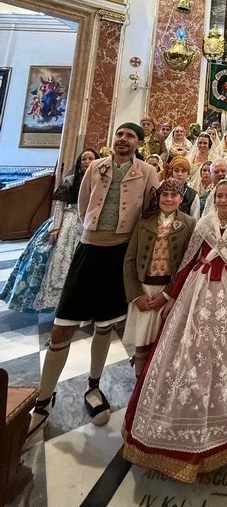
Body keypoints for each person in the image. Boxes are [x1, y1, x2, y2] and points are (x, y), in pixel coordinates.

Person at [27, 123, 159, 439]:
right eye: (119, 134)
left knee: (105, 325)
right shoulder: (96, 167)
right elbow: (84, 204)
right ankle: (42, 402)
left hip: (119, 253)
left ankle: (94, 386)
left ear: (139, 143)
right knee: (63, 326)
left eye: (130, 136)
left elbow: (149, 211)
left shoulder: (146, 172)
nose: (123, 139)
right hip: (89, 249)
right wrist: (93, 231)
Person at [122, 179, 227, 480]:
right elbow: (187, 262)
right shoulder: (203, 225)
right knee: (189, 351)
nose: (223, 200)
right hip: (198, 290)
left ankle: (224, 429)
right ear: (214, 198)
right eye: (220, 195)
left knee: (225, 354)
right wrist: (173, 297)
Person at [1, 148, 99, 313]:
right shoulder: (71, 180)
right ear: (79, 162)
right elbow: (60, 204)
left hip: (91, 221)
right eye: (84, 159)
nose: (87, 162)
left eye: (91, 158)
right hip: (71, 219)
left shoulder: (101, 181)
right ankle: (55, 301)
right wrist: (56, 227)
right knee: (59, 258)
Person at [122, 178, 195, 376]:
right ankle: (139, 382)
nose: (168, 199)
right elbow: (130, 259)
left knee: (162, 342)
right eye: (165, 195)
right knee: (141, 343)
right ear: (158, 196)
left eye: (174, 195)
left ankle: (154, 383)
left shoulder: (188, 223)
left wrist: (168, 294)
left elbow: (187, 263)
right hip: (144, 290)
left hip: (167, 291)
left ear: (181, 199)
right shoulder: (144, 221)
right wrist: (136, 295)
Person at [163, 156, 201, 222]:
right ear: (171, 172)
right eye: (176, 170)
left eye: (183, 171)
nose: (179, 174)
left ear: (188, 174)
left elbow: (195, 220)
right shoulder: (162, 190)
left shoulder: (193, 195)